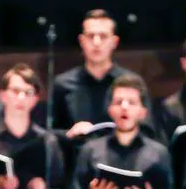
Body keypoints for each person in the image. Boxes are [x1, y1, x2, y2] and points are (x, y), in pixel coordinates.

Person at [71, 74, 173, 189]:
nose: (124, 107)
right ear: (110, 109)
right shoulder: (90, 149)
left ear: (143, 112)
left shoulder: (158, 153)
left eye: (131, 102)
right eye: (118, 102)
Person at [53, 9, 150, 139]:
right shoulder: (63, 84)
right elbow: (50, 134)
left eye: (103, 36)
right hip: (77, 155)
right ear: (82, 41)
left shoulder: (132, 84)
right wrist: (69, 133)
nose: (96, 42)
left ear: (114, 42)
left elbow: (149, 132)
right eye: (91, 36)